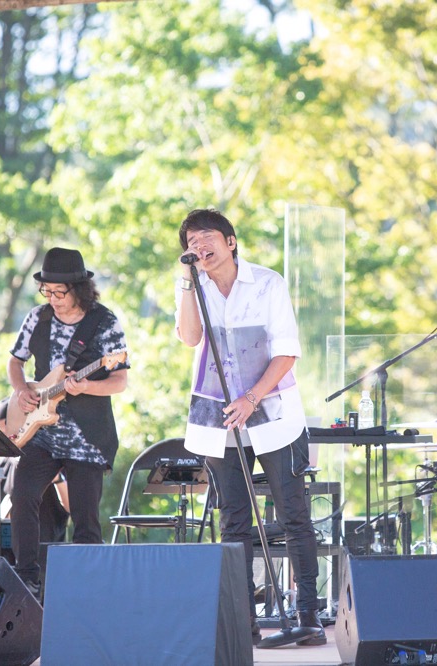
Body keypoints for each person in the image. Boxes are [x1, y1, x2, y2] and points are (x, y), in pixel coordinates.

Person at [174, 209, 325, 647]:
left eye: (207, 238)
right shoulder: (195, 286)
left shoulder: (267, 283)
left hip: (273, 413)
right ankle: (245, 620)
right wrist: (186, 282)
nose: (199, 247)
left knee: (294, 515)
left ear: (231, 241)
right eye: (192, 242)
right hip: (220, 418)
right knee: (234, 521)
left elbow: (287, 352)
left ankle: (308, 614)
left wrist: (252, 398)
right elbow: (189, 337)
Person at [6, 247, 129, 598]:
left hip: (87, 439)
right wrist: (22, 391)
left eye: (60, 292)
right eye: (47, 291)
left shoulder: (104, 322)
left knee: (85, 519)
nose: (53, 299)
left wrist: (87, 386)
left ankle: (88, 590)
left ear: (79, 289)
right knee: (22, 495)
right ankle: (26, 578)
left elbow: (120, 380)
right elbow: (15, 362)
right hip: (41, 433)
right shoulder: (37, 318)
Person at [0, 398, 70, 549]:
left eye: (5, 426)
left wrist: (57, 480)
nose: (2, 433)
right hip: (5, 552)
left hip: (48, 549)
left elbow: (72, 508)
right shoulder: (0, 463)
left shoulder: (47, 458)